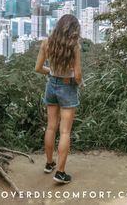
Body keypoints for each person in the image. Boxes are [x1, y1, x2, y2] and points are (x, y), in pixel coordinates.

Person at [35, 14, 82, 184]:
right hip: (67, 86)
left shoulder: (47, 43)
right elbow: (77, 75)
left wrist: (52, 73)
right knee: (65, 132)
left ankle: (49, 164)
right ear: (73, 29)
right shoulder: (74, 46)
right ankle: (60, 173)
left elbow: (38, 68)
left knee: (50, 127)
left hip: (51, 86)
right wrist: (76, 83)